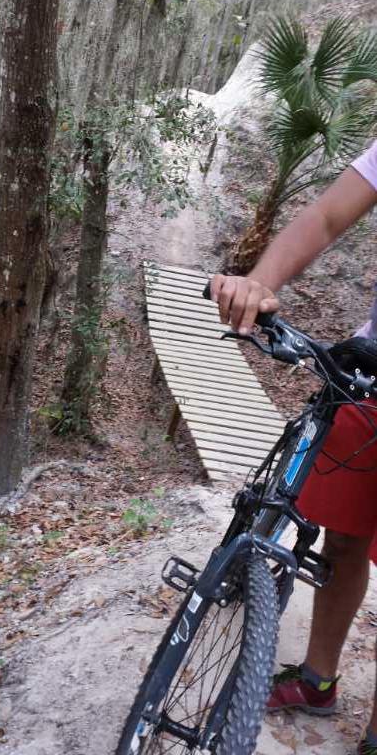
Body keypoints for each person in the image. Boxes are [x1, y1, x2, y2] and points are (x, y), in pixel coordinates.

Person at [210, 140, 377, 755]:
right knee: (343, 538)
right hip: (372, 372)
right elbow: (328, 216)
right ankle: (317, 680)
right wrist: (259, 284)